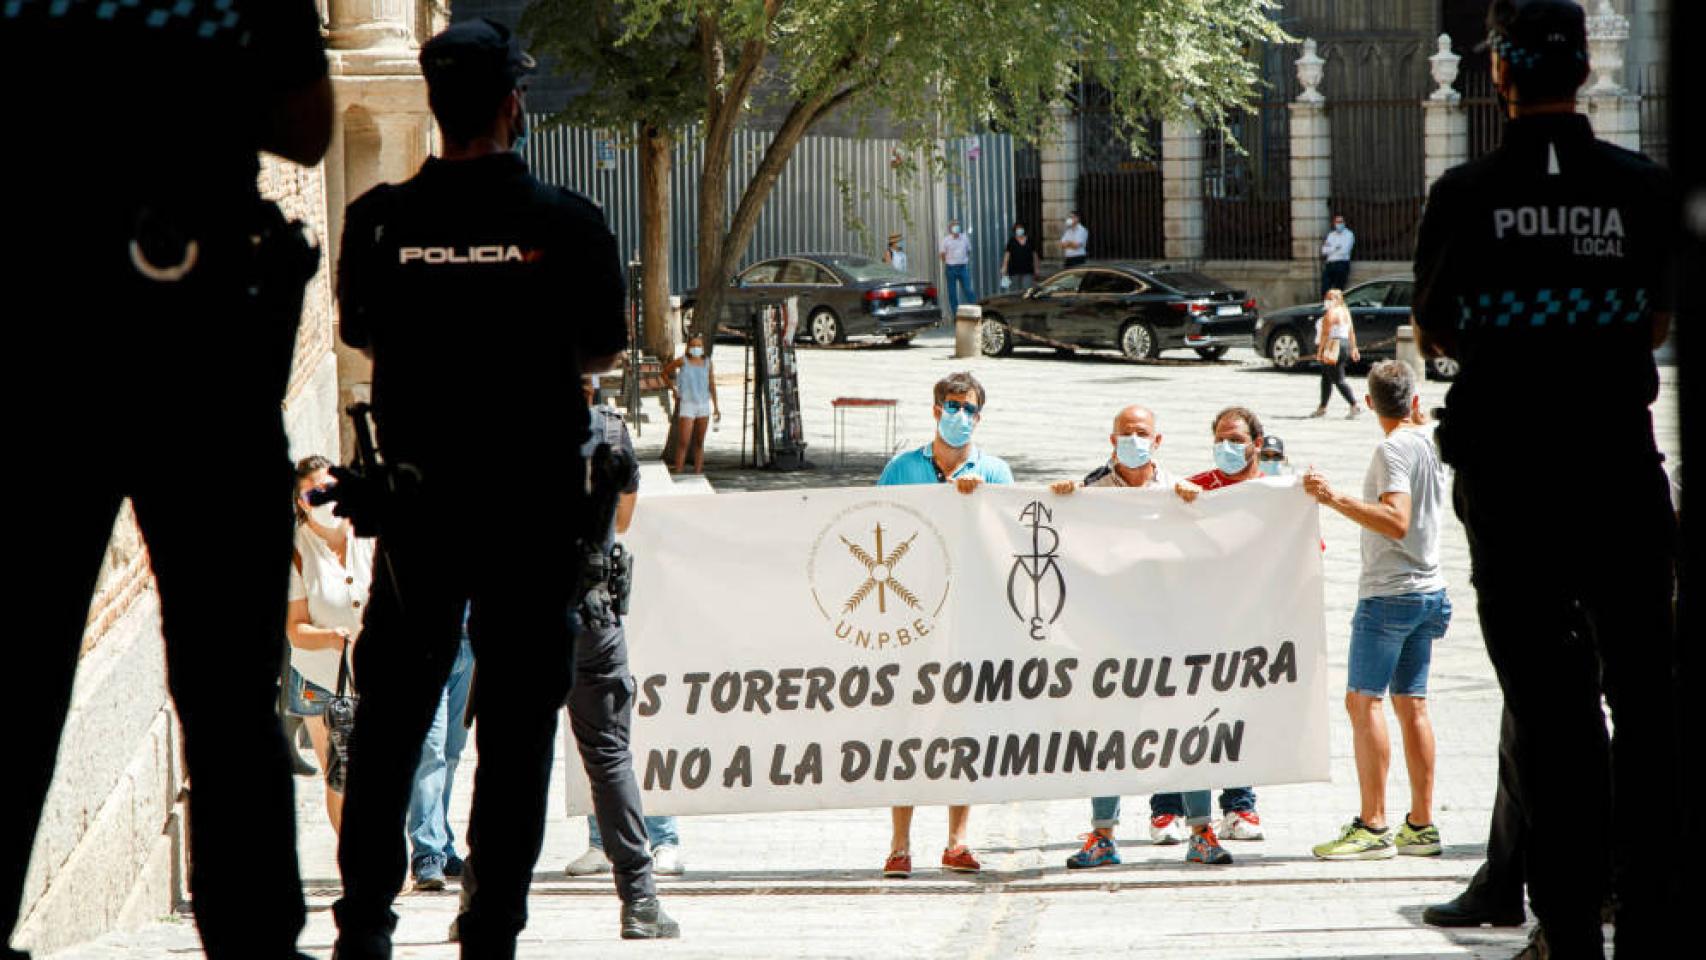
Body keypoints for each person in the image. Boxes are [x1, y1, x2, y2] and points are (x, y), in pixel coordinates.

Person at [330, 20, 677, 956]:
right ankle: (492, 931)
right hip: (531, 516)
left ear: (437, 108)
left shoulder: (376, 222)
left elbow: (362, 330)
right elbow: (604, 344)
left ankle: (363, 926)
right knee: (517, 739)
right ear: (514, 105)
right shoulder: (565, 223)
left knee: (395, 721)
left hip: (418, 514)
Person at [3, 4, 332, 959]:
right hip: (196, 331)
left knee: (17, 663)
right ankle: (254, 939)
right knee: (230, 683)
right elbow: (307, 129)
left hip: (40, 335)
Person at [1411, 2, 1680, 954]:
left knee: (1549, 704)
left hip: (1513, 472)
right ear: (1585, 67)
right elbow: (1654, 320)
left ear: (1498, 74)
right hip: (1616, 462)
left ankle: (1566, 929)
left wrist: (1517, 332)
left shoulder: (1465, 194)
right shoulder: (1642, 188)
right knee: (1646, 695)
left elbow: (1436, 328)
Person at [1302, 361, 1451, 861]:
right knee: (1412, 704)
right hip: (1430, 587)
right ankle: (1421, 825)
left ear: (1368, 404)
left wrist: (1333, 497)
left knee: (1363, 701)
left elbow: (1395, 520)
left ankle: (1373, 823)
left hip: (1390, 593)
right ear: (1414, 400)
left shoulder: (1392, 448)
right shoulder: (1428, 439)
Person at [876, 372, 1012, 878]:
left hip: (970, 618)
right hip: (910, 619)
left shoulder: (995, 470)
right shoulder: (902, 467)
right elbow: (875, 525)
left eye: (971, 409)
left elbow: (1013, 541)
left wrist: (978, 505)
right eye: (953, 406)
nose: (962, 416)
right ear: (935, 410)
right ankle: (899, 844)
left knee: (963, 730)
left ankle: (957, 841)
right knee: (905, 729)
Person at [1046, 404, 1186, 869]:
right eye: (1126, 433)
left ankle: (1202, 830)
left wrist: (1198, 504)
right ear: (1112, 441)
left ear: (1158, 440)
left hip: (1168, 635)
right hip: (1108, 639)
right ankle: (1103, 835)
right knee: (1106, 738)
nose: (1134, 440)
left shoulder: (1177, 491)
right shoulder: (1092, 491)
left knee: (1183, 730)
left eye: (1142, 432)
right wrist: (1063, 502)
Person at [564, 377, 683, 880]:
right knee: (610, 753)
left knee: (509, 758)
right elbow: (623, 519)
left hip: (520, 612)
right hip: (591, 611)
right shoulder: (611, 431)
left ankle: (480, 909)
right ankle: (639, 894)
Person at [1165, 407, 1279, 862]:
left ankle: (1239, 806)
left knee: (1237, 718)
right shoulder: (1196, 488)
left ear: (1257, 442)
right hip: (1194, 626)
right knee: (1184, 717)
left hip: (1248, 627)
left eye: (1236, 439)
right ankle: (1170, 808)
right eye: (1219, 439)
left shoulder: (1275, 493)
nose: (1227, 447)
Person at [287, 456, 377, 836]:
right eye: (313, 494)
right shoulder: (296, 551)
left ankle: (383, 855)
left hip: (375, 673)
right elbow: (295, 630)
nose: (324, 500)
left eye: (329, 490)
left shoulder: (367, 532)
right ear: (301, 502)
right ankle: (355, 861)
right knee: (342, 774)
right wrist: (332, 637)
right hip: (322, 681)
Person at [405, 604, 475, 891]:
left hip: (470, 642)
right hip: (428, 638)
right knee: (430, 751)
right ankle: (427, 853)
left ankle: (441, 844)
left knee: (451, 752)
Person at [663, 334, 718, 474]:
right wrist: (673, 390)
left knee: (699, 443)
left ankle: (698, 473)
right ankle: (679, 471)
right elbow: (664, 373)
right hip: (688, 404)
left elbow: (711, 384)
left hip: (703, 405)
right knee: (683, 442)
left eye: (699, 346)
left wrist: (716, 406)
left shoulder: (708, 363)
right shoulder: (682, 361)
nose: (696, 348)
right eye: (693, 345)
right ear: (688, 347)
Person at [1312, 289, 1362, 419]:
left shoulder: (1331, 313)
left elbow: (1325, 334)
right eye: (1326, 297)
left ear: (1338, 300)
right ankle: (1322, 407)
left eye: (1331, 298)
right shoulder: (1345, 312)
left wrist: (1320, 351)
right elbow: (1351, 332)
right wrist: (1354, 348)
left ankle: (1354, 404)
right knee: (1326, 377)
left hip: (1333, 345)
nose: (1327, 301)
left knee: (1338, 378)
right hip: (1343, 343)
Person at [938, 218, 976, 316]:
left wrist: (963, 259)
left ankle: (976, 310)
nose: (956, 227)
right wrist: (947, 262)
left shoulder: (964, 238)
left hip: (963, 267)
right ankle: (956, 314)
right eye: (954, 225)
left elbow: (969, 250)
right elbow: (942, 254)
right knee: (952, 292)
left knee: (968, 289)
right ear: (950, 228)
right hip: (951, 268)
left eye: (957, 225)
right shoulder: (946, 240)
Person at [1320, 213, 1354, 295]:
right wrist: (1336, 247)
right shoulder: (1331, 235)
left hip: (1341, 264)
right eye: (1337, 222)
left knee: (1338, 289)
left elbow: (1345, 251)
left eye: (1341, 222)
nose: (1339, 224)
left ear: (1344, 223)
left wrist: (1331, 248)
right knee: (1325, 288)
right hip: (1329, 264)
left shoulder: (1349, 234)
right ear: (1334, 223)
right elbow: (1324, 250)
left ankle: (1336, 306)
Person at [1001, 222, 1036, 291]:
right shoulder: (1012, 241)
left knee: (1027, 289)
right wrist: (1004, 267)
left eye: (1021, 228)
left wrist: (1036, 268)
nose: (1019, 230)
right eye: (1017, 228)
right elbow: (1007, 255)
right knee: (1015, 291)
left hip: (1027, 270)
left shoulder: (1030, 241)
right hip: (1014, 271)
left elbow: (1034, 255)